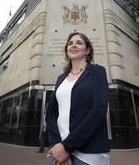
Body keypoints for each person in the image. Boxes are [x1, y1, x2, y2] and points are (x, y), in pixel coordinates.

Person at [46, 32, 110, 165]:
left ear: (87, 50)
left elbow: (99, 110)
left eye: (79, 43)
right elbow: (51, 114)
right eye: (70, 43)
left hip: (88, 152)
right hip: (58, 149)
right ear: (67, 50)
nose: (73, 45)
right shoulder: (61, 78)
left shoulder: (97, 72)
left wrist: (67, 146)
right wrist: (59, 145)